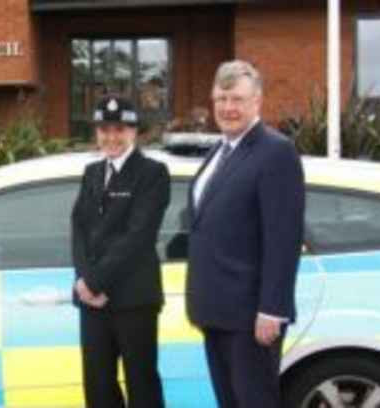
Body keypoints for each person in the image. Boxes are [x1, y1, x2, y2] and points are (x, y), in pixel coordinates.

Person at [185, 60, 305, 408]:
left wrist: (272, 309)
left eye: (237, 99)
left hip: (251, 316)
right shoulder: (219, 151)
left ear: (257, 102)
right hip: (216, 310)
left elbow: (283, 237)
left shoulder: (275, 152)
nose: (227, 108)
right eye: (221, 99)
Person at [71, 96, 170, 408]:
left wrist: (96, 281)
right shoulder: (92, 172)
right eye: (104, 129)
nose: (111, 137)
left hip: (133, 299)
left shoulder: (152, 173)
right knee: (98, 387)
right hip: (93, 302)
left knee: (142, 387)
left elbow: (138, 236)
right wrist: (84, 282)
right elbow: (79, 230)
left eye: (119, 129)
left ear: (134, 132)